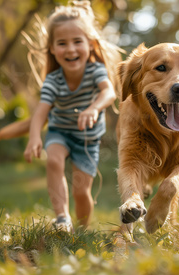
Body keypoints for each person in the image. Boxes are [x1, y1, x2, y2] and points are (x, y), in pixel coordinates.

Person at [23, 1, 122, 232]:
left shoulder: (95, 70)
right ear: (52, 49)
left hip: (87, 139)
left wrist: (93, 108)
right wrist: (35, 137)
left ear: (90, 44)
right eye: (62, 43)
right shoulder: (53, 80)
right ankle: (61, 218)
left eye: (77, 41)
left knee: (81, 190)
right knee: (54, 160)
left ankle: (81, 230)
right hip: (60, 131)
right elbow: (41, 112)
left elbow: (109, 93)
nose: (70, 49)